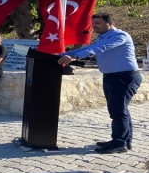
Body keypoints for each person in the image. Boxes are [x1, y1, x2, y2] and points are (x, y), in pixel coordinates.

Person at [58, 13, 142, 154]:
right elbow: (85, 49)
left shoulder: (119, 36)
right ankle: (124, 140)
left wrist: (74, 56)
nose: (94, 26)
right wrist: (60, 55)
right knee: (120, 110)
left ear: (110, 23)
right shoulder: (102, 38)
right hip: (111, 77)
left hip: (124, 78)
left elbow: (98, 49)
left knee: (118, 112)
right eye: (93, 23)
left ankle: (119, 144)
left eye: (98, 23)